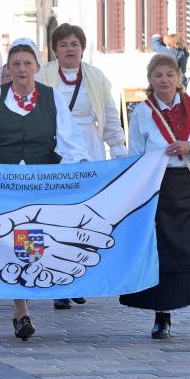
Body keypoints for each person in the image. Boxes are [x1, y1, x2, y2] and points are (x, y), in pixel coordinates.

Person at [0, 38, 89, 340]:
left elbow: (70, 141)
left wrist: (77, 172)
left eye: (27, 63)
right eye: (16, 64)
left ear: (38, 67)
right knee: (10, 240)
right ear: (8, 69)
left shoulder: (52, 98)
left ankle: (27, 299)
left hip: (41, 182)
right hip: (3, 180)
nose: (22, 69)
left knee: (31, 241)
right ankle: (21, 309)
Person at [120, 54, 190, 342]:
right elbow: (135, 154)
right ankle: (161, 316)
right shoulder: (142, 112)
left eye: (169, 75)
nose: (164, 80)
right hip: (159, 187)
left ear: (178, 78)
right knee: (161, 250)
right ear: (150, 80)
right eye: (158, 75)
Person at [36, 23, 128, 309]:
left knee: (87, 214)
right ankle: (54, 281)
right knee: (56, 215)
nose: (69, 49)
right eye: (63, 45)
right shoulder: (44, 75)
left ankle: (79, 277)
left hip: (89, 144)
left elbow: (110, 114)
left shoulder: (96, 77)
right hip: (57, 148)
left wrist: (117, 146)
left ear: (82, 47)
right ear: (55, 49)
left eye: (74, 44)